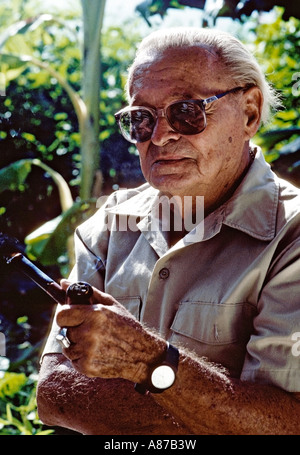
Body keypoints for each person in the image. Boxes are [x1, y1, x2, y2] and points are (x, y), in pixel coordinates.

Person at [36, 27, 300, 435]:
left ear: (249, 112)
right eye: (142, 119)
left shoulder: (291, 234)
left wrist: (147, 361)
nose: (160, 136)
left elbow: (285, 424)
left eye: (187, 111)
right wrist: (215, 409)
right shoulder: (107, 228)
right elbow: (54, 393)